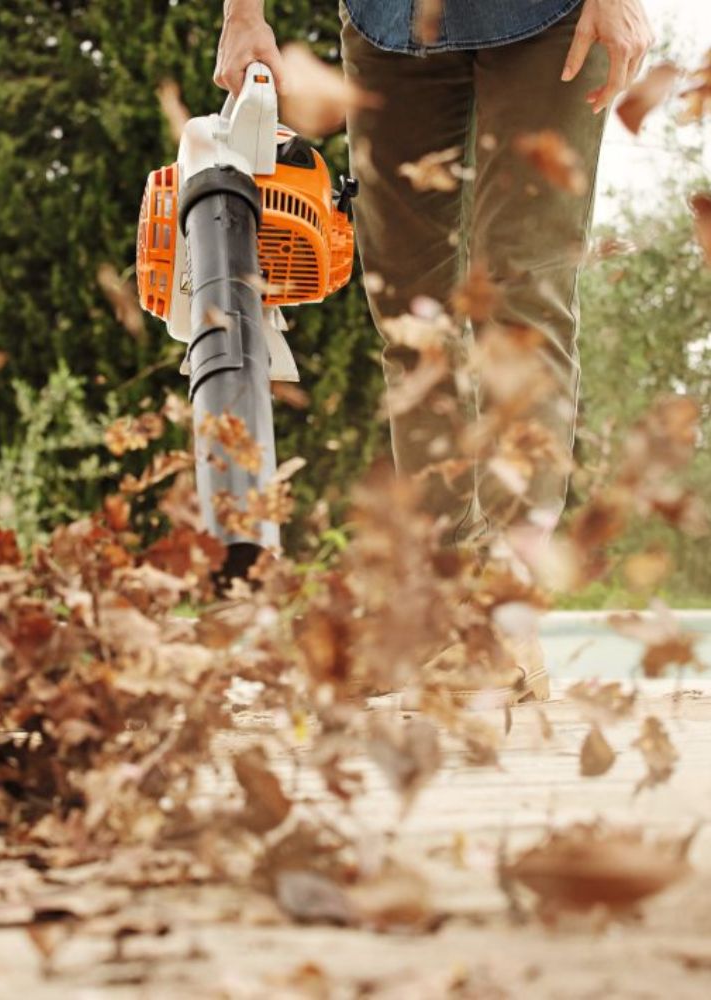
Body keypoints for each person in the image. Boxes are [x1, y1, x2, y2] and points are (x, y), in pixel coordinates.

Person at [214, 0, 652, 701]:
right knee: (409, 318)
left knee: (523, 298)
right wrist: (243, 14)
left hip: (551, 17)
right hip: (390, 20)